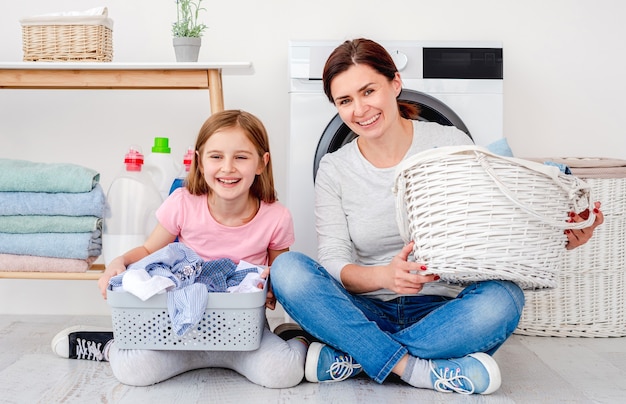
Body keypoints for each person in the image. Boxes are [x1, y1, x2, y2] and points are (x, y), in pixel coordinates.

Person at [270, 38, 604, 395]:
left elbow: (493, 227)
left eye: (369, 91)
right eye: (345, 101)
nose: (360, 109)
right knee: (287, 271)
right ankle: (413, 368)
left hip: (442, 312)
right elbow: (335, 263)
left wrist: (556, 236)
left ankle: (357, 356)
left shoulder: (448, 143)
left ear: (395, 83)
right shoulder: (336, 168)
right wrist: (384, 276)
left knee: (504, 299)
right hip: (364, 308)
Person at [51, 110, 308, 388]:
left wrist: (272, 289)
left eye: (241, 157)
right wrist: (119, 262)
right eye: (216, 156)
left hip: (243, 336)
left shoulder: (276, 217)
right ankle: (111, 345)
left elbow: (281, 274)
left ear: (261, 163)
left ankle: (297, 338)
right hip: (178, 333)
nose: (228, 167)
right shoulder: (183, 202)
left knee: (284, 373)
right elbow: (149, 250)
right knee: (133, 371)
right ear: (199, 161)